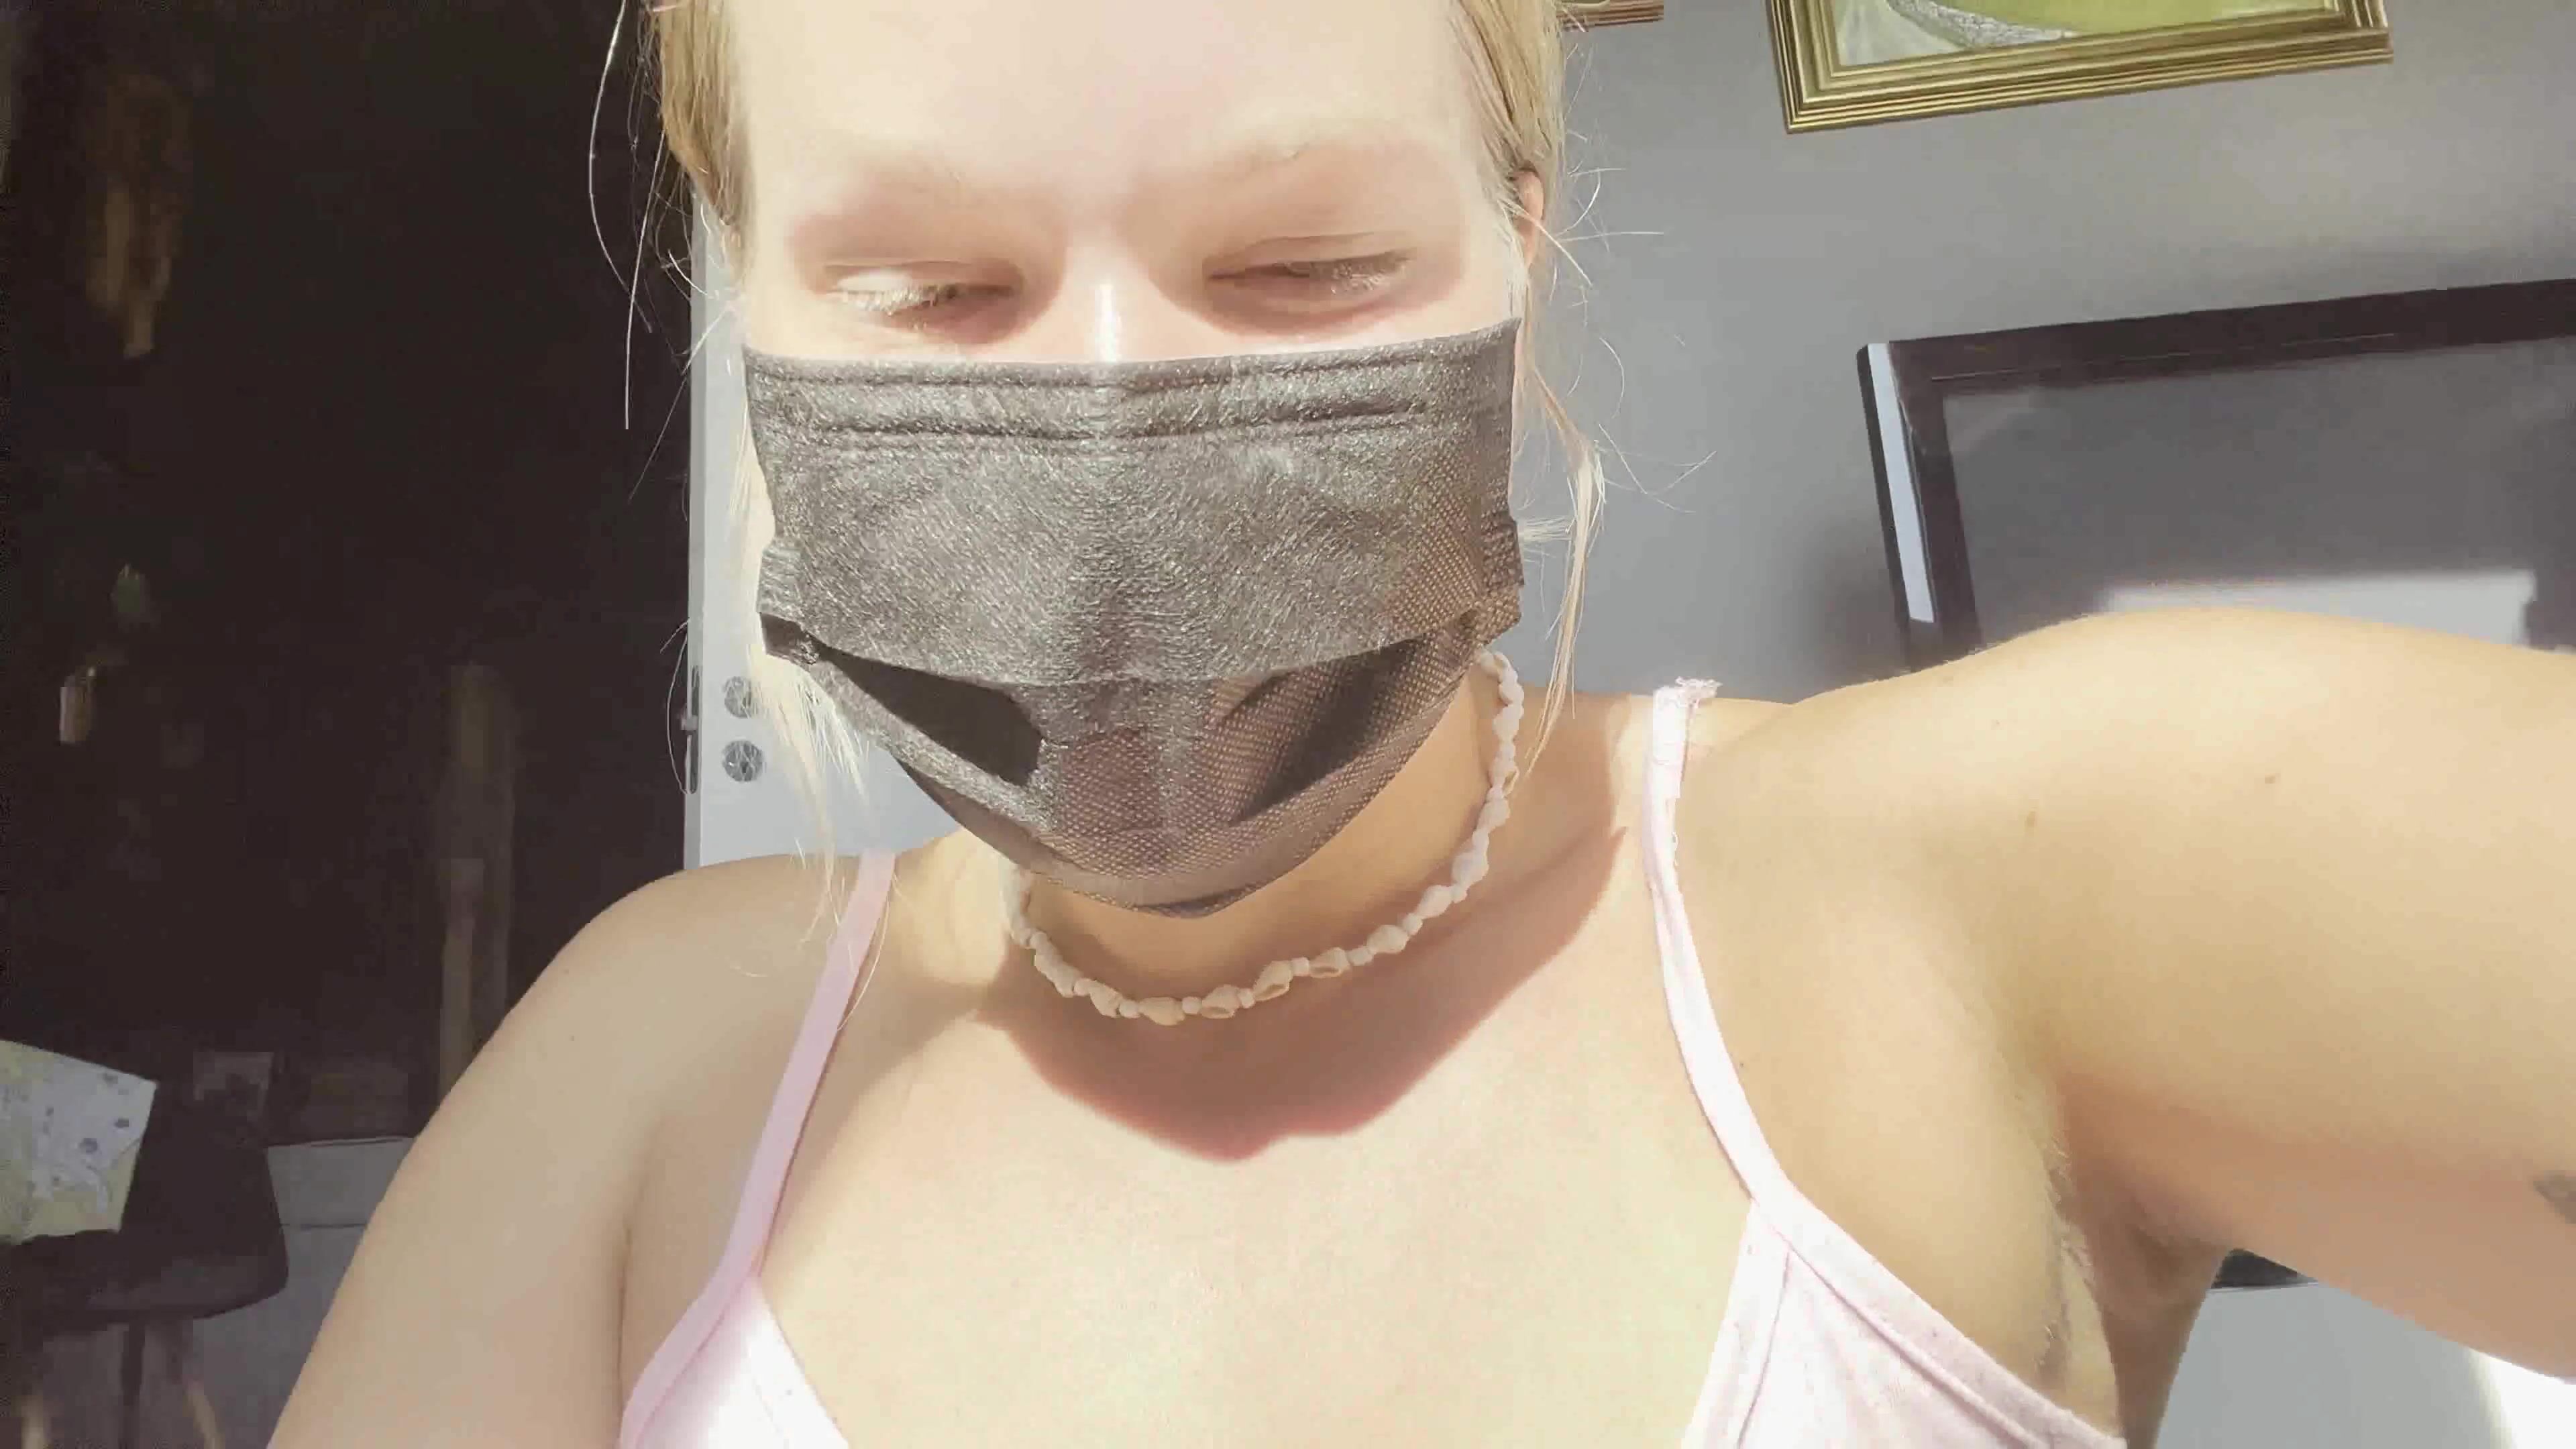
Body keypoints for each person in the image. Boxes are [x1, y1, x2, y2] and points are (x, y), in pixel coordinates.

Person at [274, 0, 2576, 1444]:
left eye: (1305, 267)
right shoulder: (651, 1054)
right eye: (931, 287)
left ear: (1518, 256)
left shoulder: (1972, 897)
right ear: (753, 307)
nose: (1112, 407)